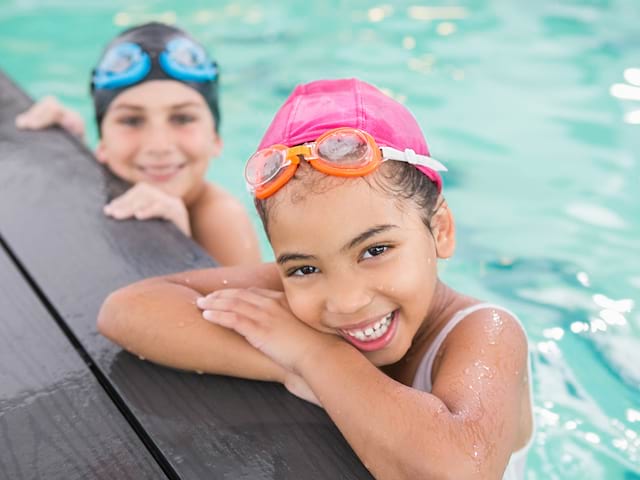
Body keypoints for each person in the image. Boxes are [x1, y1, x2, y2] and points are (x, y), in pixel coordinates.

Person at [98, 78, 534, 479]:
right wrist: (297, 364)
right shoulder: (303, 290)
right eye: (304, 267)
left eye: (375, 250)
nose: (345, 300)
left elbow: (458, 471)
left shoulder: (484, 333)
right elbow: (127, 310)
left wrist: (316, 355)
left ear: (440, 230)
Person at [15, 22, 261, 266]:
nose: (159, 145)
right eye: (132, 120)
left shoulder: (222, 219)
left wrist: (177, 247)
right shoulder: (113, 177)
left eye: (182, 118)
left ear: (215, 139)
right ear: (102, 143)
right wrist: (69, 148)